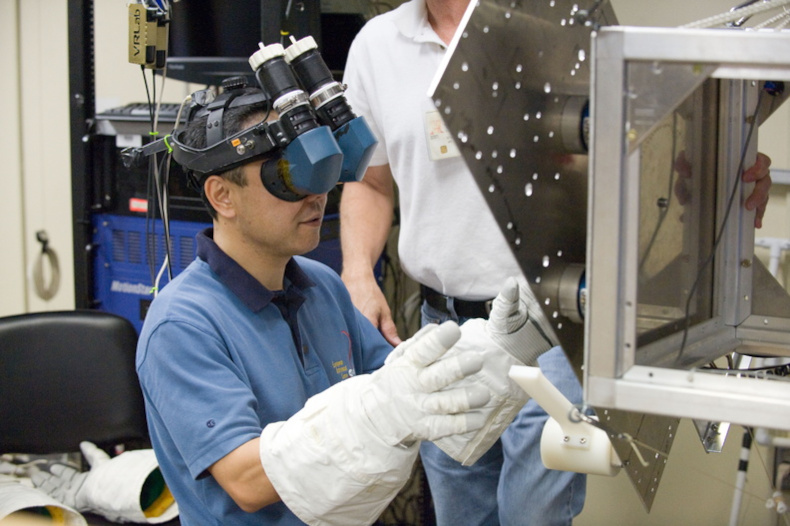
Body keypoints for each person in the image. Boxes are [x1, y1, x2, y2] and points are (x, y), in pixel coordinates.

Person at [338, 1, 774, 525]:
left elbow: (650, 142)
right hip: (445, 329)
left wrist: (714, 168)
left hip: (556, 320)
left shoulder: (562, 20)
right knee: (460, 512)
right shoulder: (377, 44)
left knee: (532, 511)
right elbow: (370, 181)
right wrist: (357, 271)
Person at [134, 77, 559, 525]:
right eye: (288, 173)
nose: (318, 193)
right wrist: (385, 409)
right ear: (223, 196)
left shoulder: (321, 286)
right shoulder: (182, 325)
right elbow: (248, 481)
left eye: (320, 169)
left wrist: (503, 349)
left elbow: (412, 394)